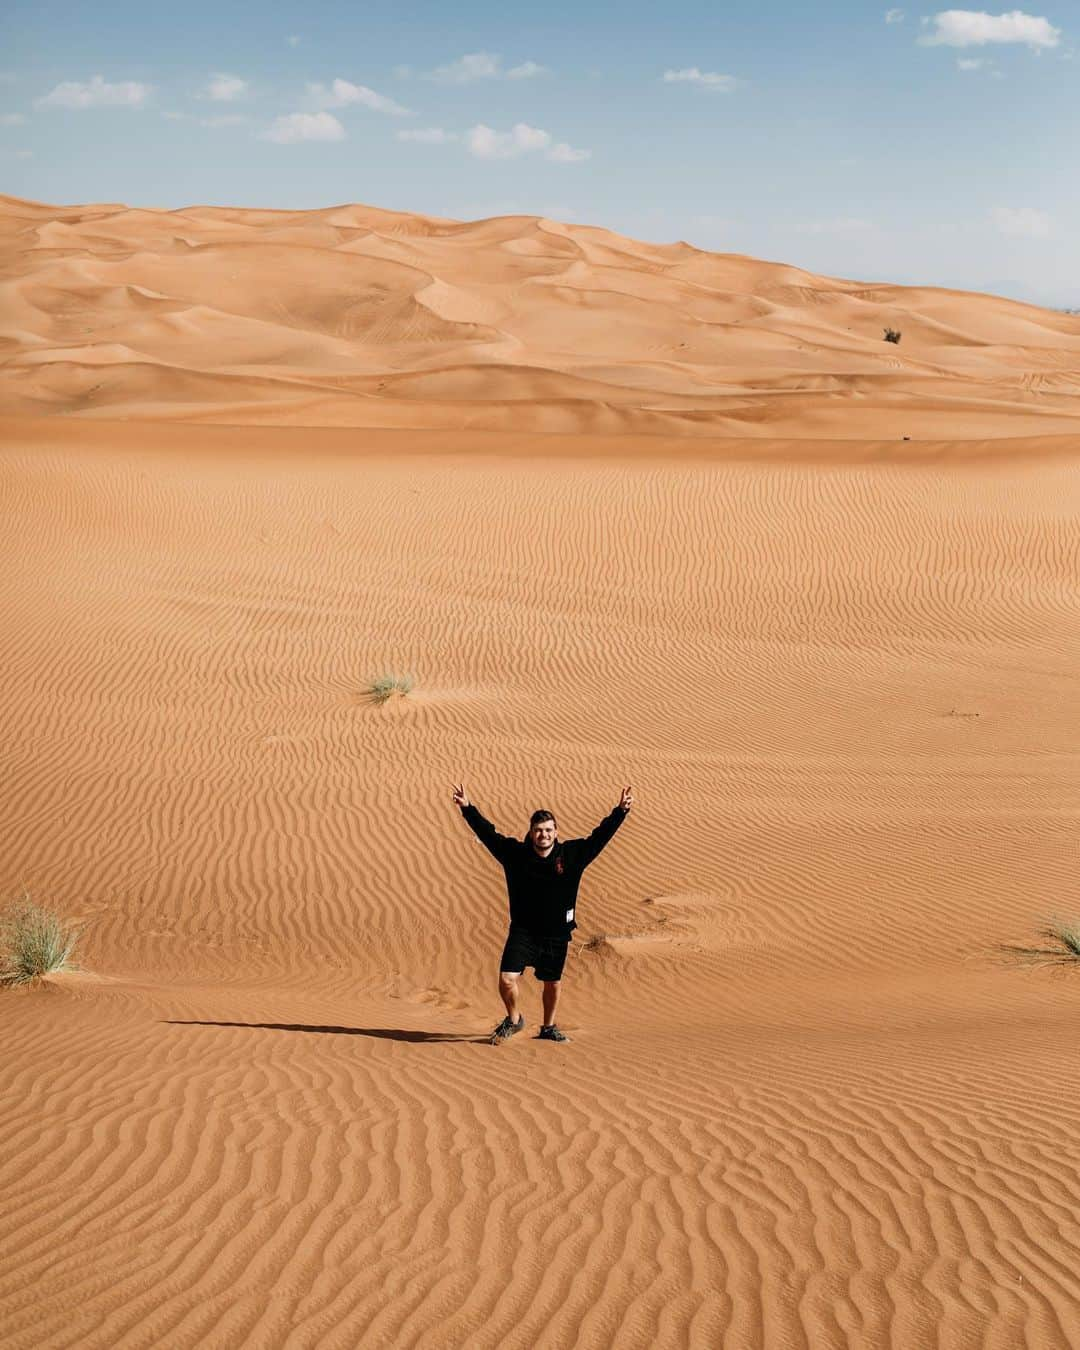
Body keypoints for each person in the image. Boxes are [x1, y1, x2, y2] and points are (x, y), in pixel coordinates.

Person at [452, 782, 633, 1044]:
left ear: (556, 832)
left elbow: (599, 837)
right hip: (523, 931)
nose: (543, 835)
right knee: (506, 980)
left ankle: (548, 1027)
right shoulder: (515, 855)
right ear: (531, 832)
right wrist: (468, 809)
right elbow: (489, 835)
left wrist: (620, 812)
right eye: (538, 830)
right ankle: (514, 1019)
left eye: (548, 830)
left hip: (557, 933)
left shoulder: (571, 855)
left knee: (552, 984)